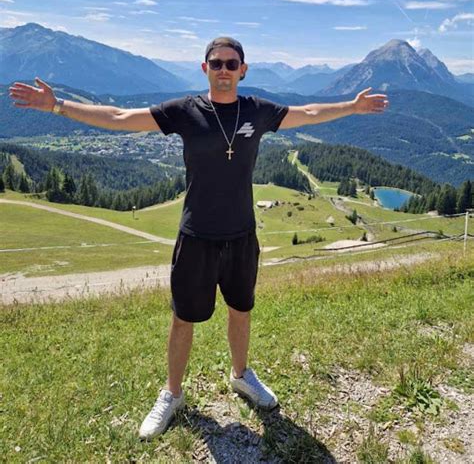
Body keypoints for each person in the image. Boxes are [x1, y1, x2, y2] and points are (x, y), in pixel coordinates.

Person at [9, 36, 389, 440]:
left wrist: (351, 106)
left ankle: (241, 375)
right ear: (204, 68)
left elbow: (309, 112)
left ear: (243, 70)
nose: (223, 70)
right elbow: (120, 116)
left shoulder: (257, 110)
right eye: (216, 63)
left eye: (231, 63)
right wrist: (57, 106)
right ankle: (172, 394)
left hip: (241, 235)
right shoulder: (186, 112)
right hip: (196, 236)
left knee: (241, 309)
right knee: (183, 318)